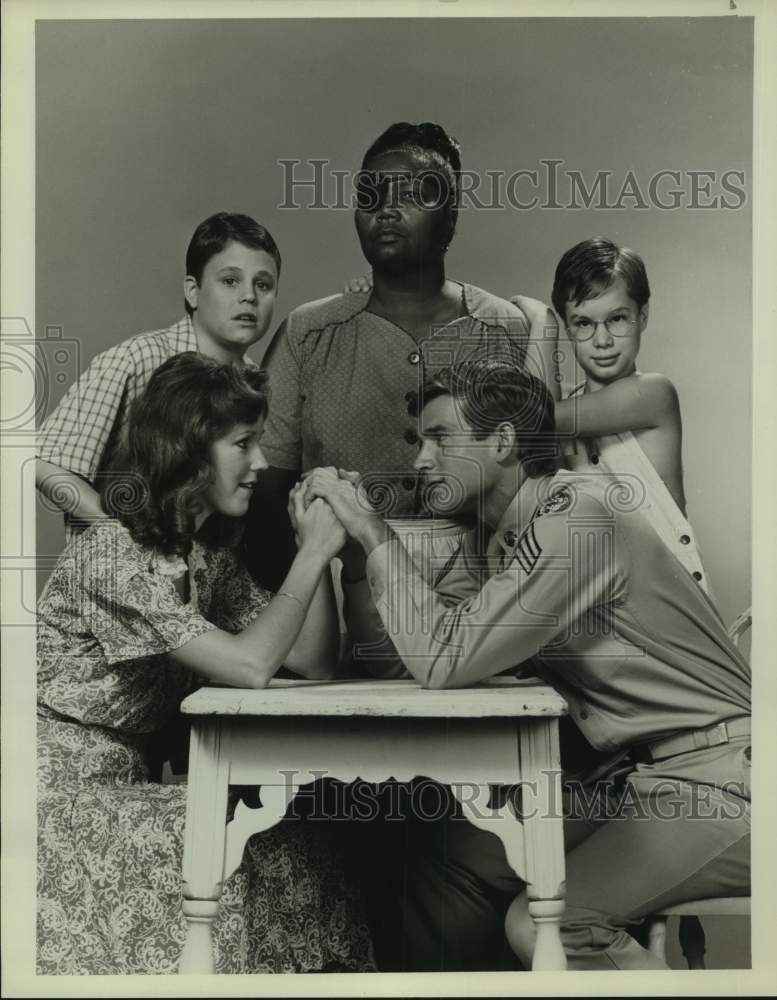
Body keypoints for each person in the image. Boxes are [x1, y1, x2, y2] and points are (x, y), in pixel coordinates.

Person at [303, 357, 750, 971]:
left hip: (724, 782)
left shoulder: (577, 518)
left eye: (441, 438)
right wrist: (358, 562)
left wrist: (372, 530)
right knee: (449, 849)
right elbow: (410, 661)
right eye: (419, 441)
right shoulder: (507, 542)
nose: (420, 461)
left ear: (504, 441)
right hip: (641, 784)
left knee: (552, 926)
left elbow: (443, 658)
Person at [36, 353, 374, 974]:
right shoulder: (113, 554)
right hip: (51, 796)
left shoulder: (204, 555)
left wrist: (314, 546)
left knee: (299, 837)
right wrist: (311, 558)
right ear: (190, 451)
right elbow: (250, 667)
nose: (261, 462)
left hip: (120, 780)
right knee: (236, 839)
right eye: (244, 443)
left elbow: (310, 659)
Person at [250, 121, 530, 593]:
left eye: (412, 195)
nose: (385, 209)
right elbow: (265, 497)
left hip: (486, 601)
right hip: (339, 597)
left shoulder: (506, 330)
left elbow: (538, 486)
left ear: (451, 215)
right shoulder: (308, 333)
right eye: (370, 196)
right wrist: (310, 605)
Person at [36, 211, 282, 538]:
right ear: (193, 291)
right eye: (230, 281)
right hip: (122, 564)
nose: (249, 296)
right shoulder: (138, 358)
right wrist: (123, 540)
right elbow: (45, 463)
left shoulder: (253, 384)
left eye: (263, 284)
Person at [514, 236, 710, 592]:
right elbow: (537, 451)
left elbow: (539, 421)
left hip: (667, 600)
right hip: (601, 598)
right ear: (570, 327)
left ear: (642, 316)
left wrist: (543, 327)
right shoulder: (570, 408)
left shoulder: (653, 393)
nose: (602, 340)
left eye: (617, 319)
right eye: (583, 323)